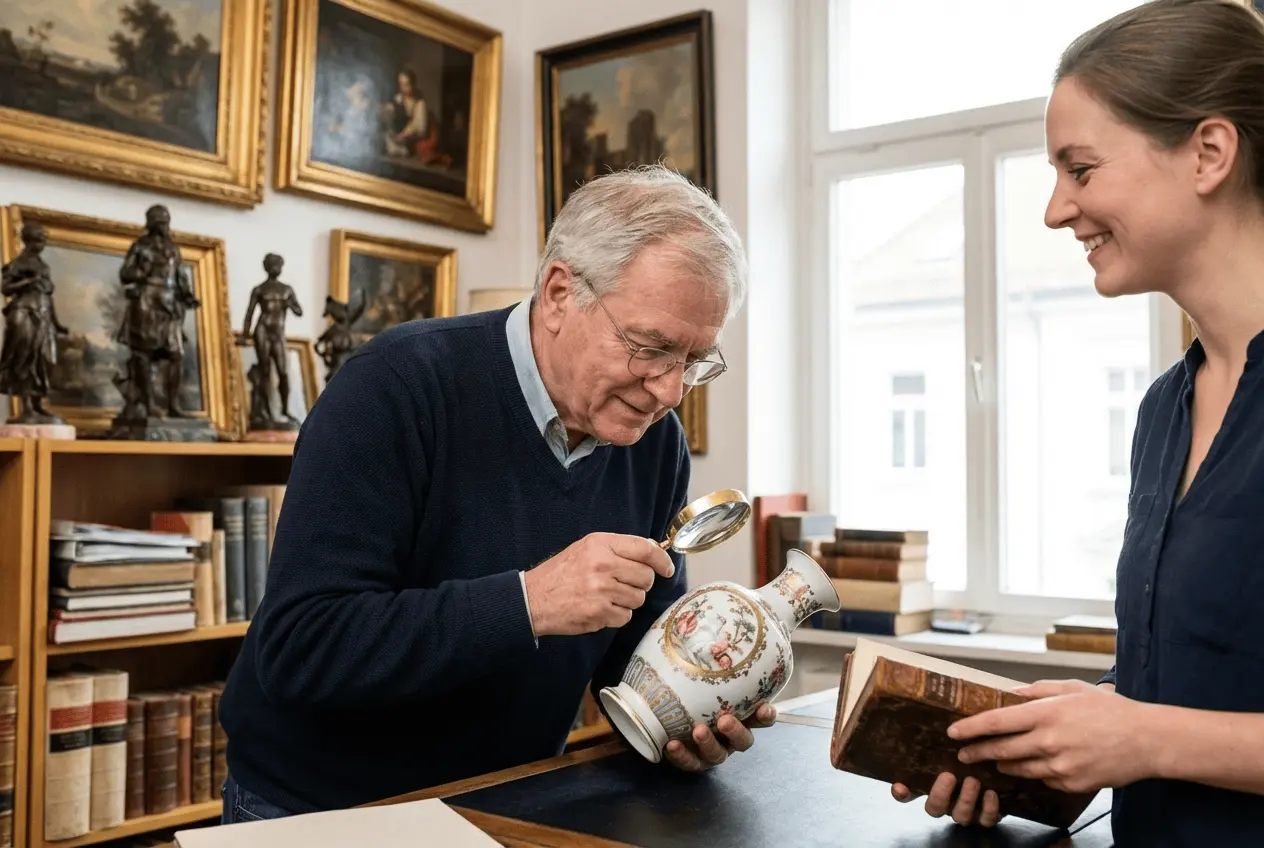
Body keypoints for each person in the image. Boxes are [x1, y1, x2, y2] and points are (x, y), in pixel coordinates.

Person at [214, 164, 771, 823]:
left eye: (695, 360)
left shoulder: (655, 442)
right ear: (561, 293)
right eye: (651, 347)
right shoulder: (393, 388)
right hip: (321, 809)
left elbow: (630, 654)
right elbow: (299, 648)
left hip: (513, 800)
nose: (671, 390)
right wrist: (529, 601)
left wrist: (684, 718)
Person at [893, 1, 1264, 844]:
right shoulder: (1164, 409)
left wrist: (1139, 735)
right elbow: (1200, 674)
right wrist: (1058, 734)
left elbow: (1162, 732)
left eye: (1081, 169)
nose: (1056, 211)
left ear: (1209, 152)